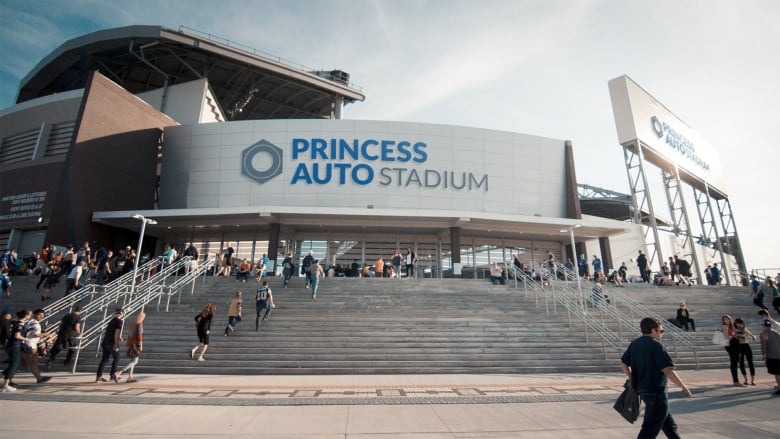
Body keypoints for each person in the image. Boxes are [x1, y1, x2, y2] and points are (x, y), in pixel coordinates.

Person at [620, 317, 692, 438]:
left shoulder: (635, 344)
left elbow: (623, 364)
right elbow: (667, 370)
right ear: (654, 330)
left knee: (669, 425)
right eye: (661, 331)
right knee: (650, 428)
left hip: (643, 390)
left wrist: (632, 378)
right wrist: (683, 387)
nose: (662, 334)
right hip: (656, 392)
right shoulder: (656, 345)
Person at [2, 309, 32, 392]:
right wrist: (26, 339)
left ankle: (6, 377)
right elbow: (17, 336)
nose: (30, 316)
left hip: (13, 345)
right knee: (14, 364)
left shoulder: (17, 322)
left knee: (14, 364)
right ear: (26, 315)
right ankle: (5, 385)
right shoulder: (20, 324)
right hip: (15, 345)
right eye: (29, 315)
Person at [21, 308, 53, 384]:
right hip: (31, 346)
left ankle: (7, 375)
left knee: (22, 363)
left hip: (27, 344)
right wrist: (46, 334)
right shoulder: (36, 324)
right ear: (34, 315)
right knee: (33, 363)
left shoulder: (29, 322)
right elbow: (36, 334)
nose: (41, 317)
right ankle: (39, 378)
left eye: (42, 315)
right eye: (39, 315)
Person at [95, 308, 124, 383]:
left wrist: (119, 337)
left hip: (105, 342)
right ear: (122, 314)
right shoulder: (119, 321)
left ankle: (99, 376)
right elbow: (116, 333)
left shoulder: (111, 321)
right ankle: (113, 374)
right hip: (112, 343)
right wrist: (116, 344)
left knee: (105, 359)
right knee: (117, 358)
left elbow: (111, 331)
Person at [120, 311, 145, 383]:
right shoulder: (139, 324)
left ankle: (130, 377)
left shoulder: (132, 324)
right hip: (135, 344)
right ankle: (120, 372)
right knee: (135, 361)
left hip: (130, 343)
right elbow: (139, 336)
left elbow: (130, 335)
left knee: (132, 361)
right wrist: (140, 345)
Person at [721, 315, 745, 387]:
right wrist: (735, 336)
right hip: (731, 345)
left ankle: (736, 381)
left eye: (728, 319)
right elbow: (727, 337)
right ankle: (736, 381)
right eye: (725, 319)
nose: (727, 320)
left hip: (735, 344)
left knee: (735, 362)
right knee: (734, 363)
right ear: (723, 321)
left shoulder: (731, 326)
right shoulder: (725, 327)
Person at [758, 319, 780, 395]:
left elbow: (763, 346)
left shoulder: (764, 334)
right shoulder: (776, 333)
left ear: (764, 326)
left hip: (772, 356)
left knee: (777, 373)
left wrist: (764, 355)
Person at [733, 317, 757, 386]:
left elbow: (751, 335)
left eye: (740, 323)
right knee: (741, 363)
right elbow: (734, 337)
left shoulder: (744, 329)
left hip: (746, 346)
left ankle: (753, 380)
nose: (739, 325)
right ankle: (745, 379)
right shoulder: (734, 330)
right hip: (739, 347)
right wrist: (738, 337)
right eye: (737, 323)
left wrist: (753, 337)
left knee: (750, 362)